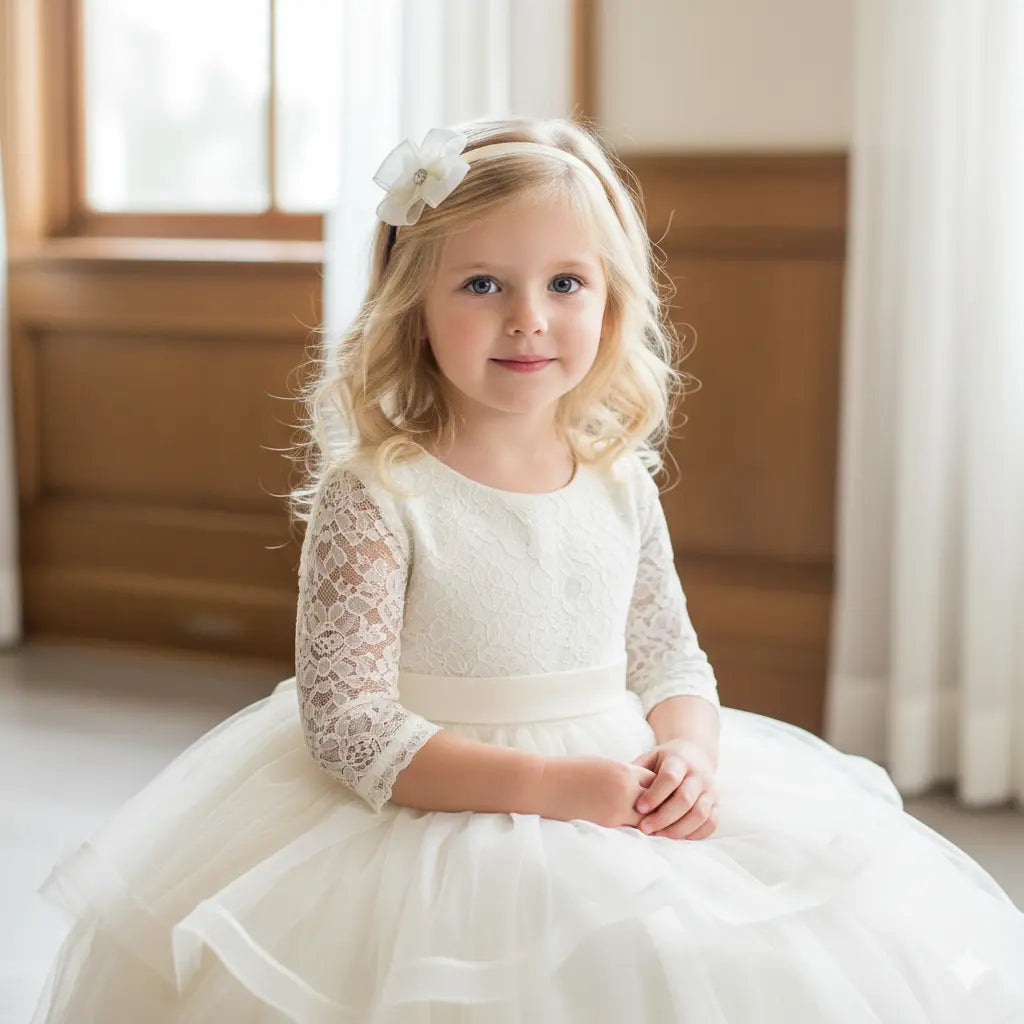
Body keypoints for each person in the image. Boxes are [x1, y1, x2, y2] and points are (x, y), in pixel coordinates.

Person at [31, 116, 1024, 1023]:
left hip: (614, 783)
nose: (527, 318)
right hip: (431, 809)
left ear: (609, 300)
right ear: (412, 301)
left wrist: (687, 755)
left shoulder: (618, 483)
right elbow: (348, 721)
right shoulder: (379, 490)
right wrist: (552, 789)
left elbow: (670, 657)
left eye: (563, 283)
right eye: (480, 283)